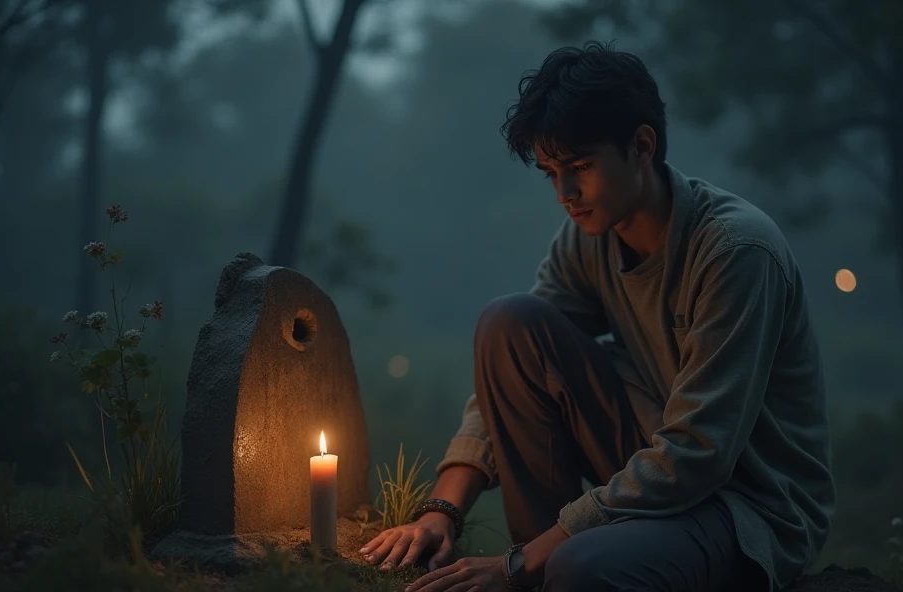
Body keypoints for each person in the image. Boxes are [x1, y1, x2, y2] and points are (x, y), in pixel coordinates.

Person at [358, 41, 836, 592]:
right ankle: (542, 566)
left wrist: (513, 564)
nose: (564, 192)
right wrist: (441, 509)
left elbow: (697, 455)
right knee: (508, 324)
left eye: (581, 166)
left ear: (641, 146)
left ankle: (541, 565)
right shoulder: (587, 239)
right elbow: (508, 374)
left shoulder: (735, 251)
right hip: (653, 459)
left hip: (747, 504)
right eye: (550, 172)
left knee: (583, 568)